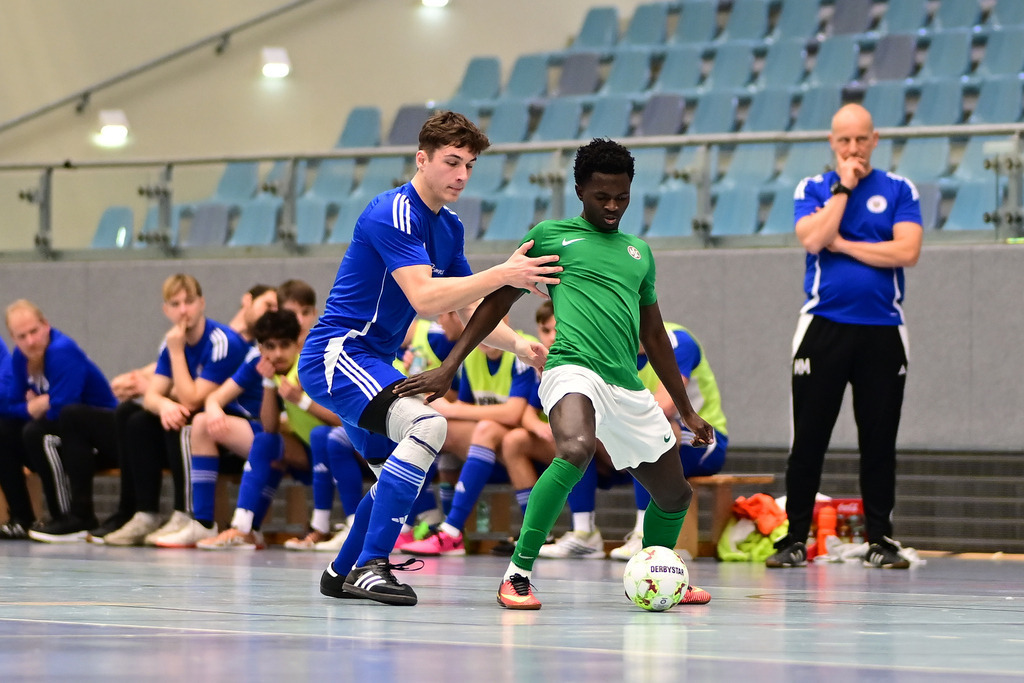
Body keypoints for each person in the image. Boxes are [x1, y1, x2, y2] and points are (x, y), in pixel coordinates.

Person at [397, 138, 714, 610]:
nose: (612, 206)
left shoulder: (639, 253)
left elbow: (653, 335)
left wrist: (685, 410)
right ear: (580, 189)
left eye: (621, 197)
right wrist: (450, 365)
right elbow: (495, 302)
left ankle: (662, 574)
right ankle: (517, 574)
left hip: (624, 383)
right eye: (601, 196)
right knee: (576, 448)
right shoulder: (551, 236)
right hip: (570, 368)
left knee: (674, 494)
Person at [297, 110, 561, 606]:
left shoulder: (450, 228)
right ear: (422, 160)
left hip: (374, 362)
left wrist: (525, 348)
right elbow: (424, 297)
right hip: (339, 353)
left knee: (392, 476)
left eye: (470, 165)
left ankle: (341, 571)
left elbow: (465, 307)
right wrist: (503, 274)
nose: (461, 175)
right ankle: (374, 565)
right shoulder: (392, 211)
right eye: (451, 162)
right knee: (429, 427)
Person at [766, 103, 922, 570]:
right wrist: (843, 189)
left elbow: (907, 250)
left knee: (879, 440)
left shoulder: (899, 189)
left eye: (860, 139)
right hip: (822, 328)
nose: (853, 148)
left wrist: (846, 245)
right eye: (844, 141)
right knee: (809, 438)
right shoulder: (812, 188)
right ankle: (795, 538)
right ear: (832, 143)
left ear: (875, 139)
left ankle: (881, 539)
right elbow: (813, 239)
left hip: (883, 331)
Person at [541, 322, 729, 563]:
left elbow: (666, 406)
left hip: (701, 440)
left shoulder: (678, 342)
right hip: (638, 435)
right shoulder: (609, 346)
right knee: (580, 436)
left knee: (651, 428)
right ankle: (583, 533)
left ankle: (642, 535)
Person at [102, 274, 250, 546]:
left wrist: (177, 353)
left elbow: (193, 399)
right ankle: (145, 512)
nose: (184, 310)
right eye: (176, 303)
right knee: (135, 419)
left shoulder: (221, 341)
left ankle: (187, 513)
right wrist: (165, 404)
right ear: (166, 310)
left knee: (184, 418)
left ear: (202, 303)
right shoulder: (171, 342)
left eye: (189, 301)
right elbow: (151, 397)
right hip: (199, 423)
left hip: (229, 427)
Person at [197, 309, 341, 550]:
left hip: (337, 452)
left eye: (284, 346)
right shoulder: (268, 370)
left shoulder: (311, 367)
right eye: (270, 347)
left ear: (297, 344)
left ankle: (321, 528)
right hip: (307, 453)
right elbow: (270, 427)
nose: (277, 354)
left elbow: (341, 420)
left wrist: (302, 400)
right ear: (261, 348)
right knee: (265, 441)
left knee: (310, 438)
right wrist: (266, 383)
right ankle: (244, 528)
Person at [397, 331, 537, 557]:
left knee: (486, 430)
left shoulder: (522, 350)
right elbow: (463, 410)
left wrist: (452, 409)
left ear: (505, 321)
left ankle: (452, 532)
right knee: (438, 430)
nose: (485, 331)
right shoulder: (471, 356)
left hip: (535, 442)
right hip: (496, 448)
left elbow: (514, 414)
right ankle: (429, 525)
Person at [0, 301, 119, 542]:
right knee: (4, 431)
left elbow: (64, 410)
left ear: (46, 325)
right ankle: (22, 519)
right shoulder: (20, 359)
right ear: (13, 338)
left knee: (36, 433)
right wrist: (34, 406)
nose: (30, 341)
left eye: (34, 331)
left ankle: (68, 516)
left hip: (104, 438)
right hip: (68, 436)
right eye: (22, 336)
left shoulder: (61, 350)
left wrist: (41, 407)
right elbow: (11, 406)